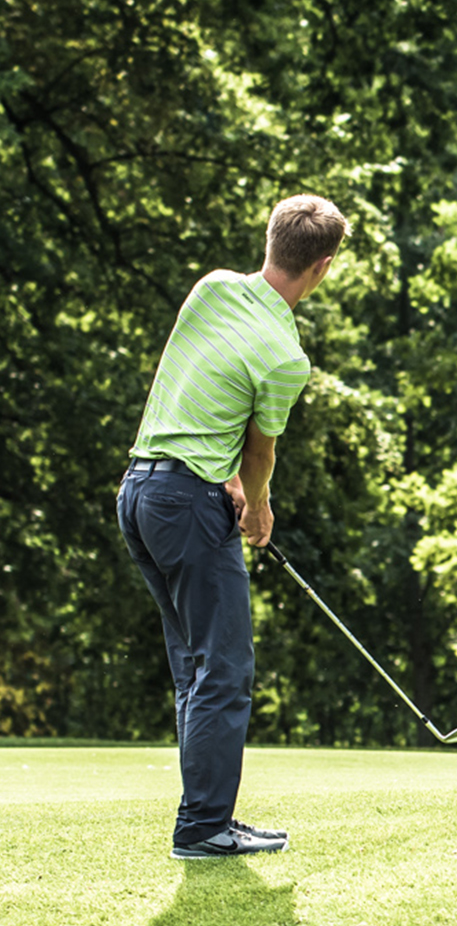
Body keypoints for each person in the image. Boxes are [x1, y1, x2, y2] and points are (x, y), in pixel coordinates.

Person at [117, 194, 348, 858]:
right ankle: (203, 827)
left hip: (139, 490)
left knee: (197, 666)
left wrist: (221, 474)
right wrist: (260, 504)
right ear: (323, 266)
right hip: (187, 505)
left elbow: (195, 377)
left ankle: (207, 816)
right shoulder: (285, 355)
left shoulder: (212, 289)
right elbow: (259, 452)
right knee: (224, 668)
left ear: (272, 239)